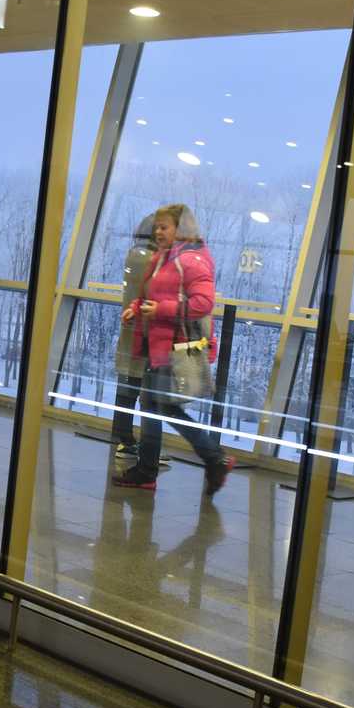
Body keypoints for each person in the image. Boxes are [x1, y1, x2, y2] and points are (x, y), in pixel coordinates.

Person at [110, 204, 235, 495]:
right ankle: (150, 469)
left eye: (164, 226)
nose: (158, 231)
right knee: (154, 408)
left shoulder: (192, 261)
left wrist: (160, 310)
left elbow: (203, 304)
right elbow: (150, 296)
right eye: (157, 226)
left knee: (162, 407)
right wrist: (136, 308)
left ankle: (212, 458)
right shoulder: (164, 258)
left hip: (175, 348)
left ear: (182, 229)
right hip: (158, 345)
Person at [109, 214, 158, 461]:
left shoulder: (135, 254)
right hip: (141, 330)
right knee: (136, 388)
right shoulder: (148, 259)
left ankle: (123, 436)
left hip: (131, 328)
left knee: (128, 384)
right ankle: (126, 439)